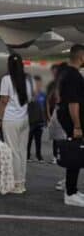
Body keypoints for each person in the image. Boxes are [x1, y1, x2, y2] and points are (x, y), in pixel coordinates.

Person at [0, 53, 33, 194]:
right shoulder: (28, 79)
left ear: (9, 65)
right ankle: (21, 182)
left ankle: (16, 184)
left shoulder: (6, 79)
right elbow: (29, 99)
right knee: (22, 151)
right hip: (24, 119)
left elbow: (3, 101)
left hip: (11, 119)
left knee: (13, 152)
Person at [57, 44, 84, 207]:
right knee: (75, 152)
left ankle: (72, 189)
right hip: (72, 120)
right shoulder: (74, 76)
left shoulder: (66, 73)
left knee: (77, 152)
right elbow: (73, 103)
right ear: (81, 57)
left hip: (67, 118)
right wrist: (77, 126)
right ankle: (70, 192)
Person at [46, 63, 63, 163]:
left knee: (62, 137)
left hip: (62, 112)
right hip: (54, 113)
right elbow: (48, 101)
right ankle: (55, 156)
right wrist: (48, 115)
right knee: (55, 137)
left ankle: (61, 154)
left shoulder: (63, 83)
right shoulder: (52, 85)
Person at [27, 75, 46, 162]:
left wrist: (46, 119)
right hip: (31, 121)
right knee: (29, 139)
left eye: (39, 84)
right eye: (36, 84)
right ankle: (27, 155)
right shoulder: (30, 95)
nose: (38, 86)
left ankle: (39, 155)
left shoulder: (43, 95)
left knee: (38, 140)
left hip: (40, 121)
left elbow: (45, 107)